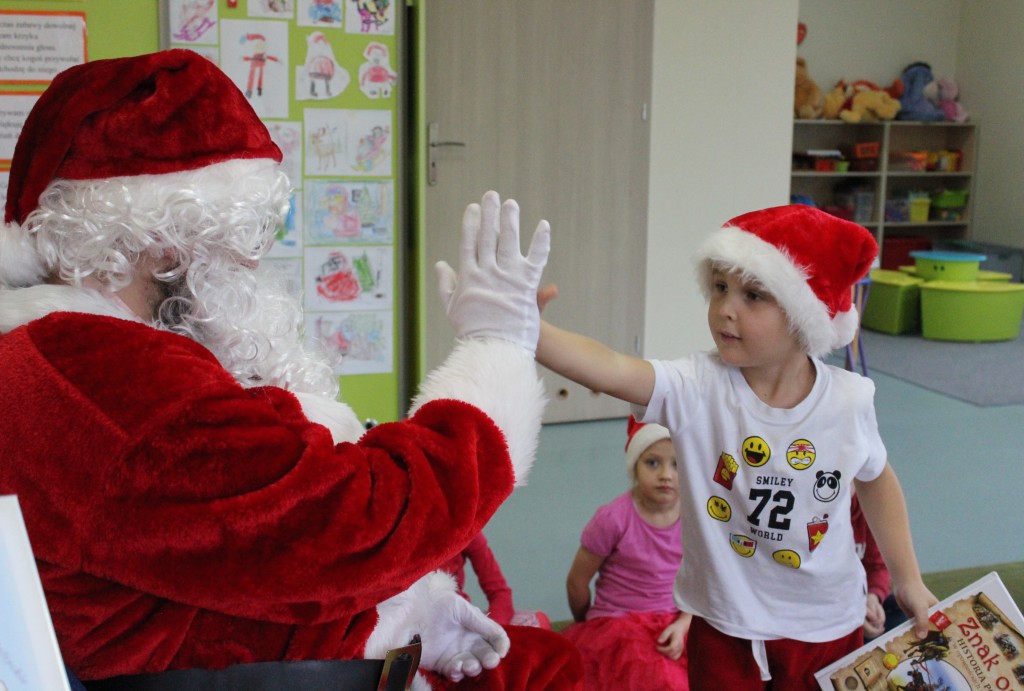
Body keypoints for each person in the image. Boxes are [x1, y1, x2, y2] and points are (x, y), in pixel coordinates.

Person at [0, 49, 581, 690]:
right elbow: (356, 527)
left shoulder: (63, 353)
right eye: (238, 231)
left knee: (546, 664)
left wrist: (414, 613)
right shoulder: (105, 374)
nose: (250, 263)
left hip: (271, 655)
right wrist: (494, 352)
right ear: (160, 236)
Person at [534, 204, 938, 690]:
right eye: (720, 287)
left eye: (754, 295)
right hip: (724, 624)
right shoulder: (697, 385)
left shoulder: (849, 399)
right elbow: (611, 369)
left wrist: (906, 578)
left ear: (804, 314)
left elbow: (875, 480)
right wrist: (533, 331)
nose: (726, 308)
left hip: (825, 622)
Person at [562, 416, 690, 690]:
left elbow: (706, 583)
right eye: (652, 463)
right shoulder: (613, 519)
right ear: (634, 467)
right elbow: (577, 581)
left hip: (676, 620)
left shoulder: (696, 519)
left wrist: (685, 622)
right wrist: (588, 625)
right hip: (620, 622)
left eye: (677, 465)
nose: (666, 475)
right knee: (656, 679)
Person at [439, 532, 552, 630]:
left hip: (463, 620)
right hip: (438, 628)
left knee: (536, 620)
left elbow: (500, 593)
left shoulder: (467, 529)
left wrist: (492, 629)